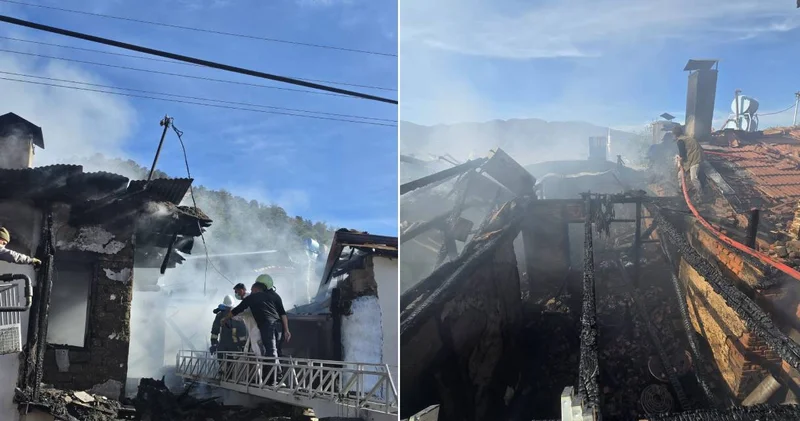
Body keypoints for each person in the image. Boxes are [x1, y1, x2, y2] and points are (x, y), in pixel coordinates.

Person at [225, 274, 291, 386]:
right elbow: (283, 314)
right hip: (278, 326)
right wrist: (286, 330)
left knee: (269, 352)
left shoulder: (254, 297)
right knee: (274, 352)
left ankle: (275, 379)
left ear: (257, 288)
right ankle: (270, 378)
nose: (251, 292)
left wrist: (225, 318)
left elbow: (238, 310)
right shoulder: (274, 296)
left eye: (252, 290)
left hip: (266, 327)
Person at [209, 295, 247, 377]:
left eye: (230, 308)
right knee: (223, 363)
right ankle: (224, 374)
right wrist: (214, 343)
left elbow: (242, 331)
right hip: (224, 345)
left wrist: (243, 345)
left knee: (233, 365)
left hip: (235, 346)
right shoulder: (220, 315)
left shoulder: (238, 315)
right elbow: (215, 331)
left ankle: (229, 376)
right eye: (227, 308)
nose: (228, 310)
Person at [672, 125, 705, 199]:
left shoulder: (680, 141)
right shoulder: (687, 138)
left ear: (675, 134)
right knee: (680, 175)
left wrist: (679, 163)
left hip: (695, 159)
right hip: (691, 158)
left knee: (693, 178)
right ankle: (681, 190)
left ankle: (700, 194)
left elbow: (682, 155)